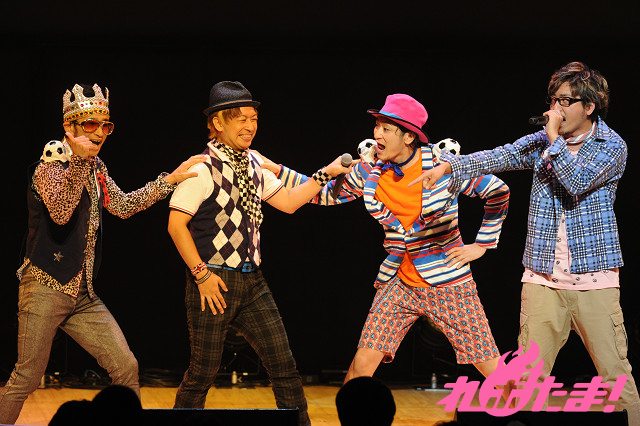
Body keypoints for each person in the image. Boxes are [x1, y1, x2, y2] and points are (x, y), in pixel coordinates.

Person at [409, 61, 640, 423]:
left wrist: (552, 140)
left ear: (589, 106)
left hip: (594, 279)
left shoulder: (611, 146)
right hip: (541, 278)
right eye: (554, 100)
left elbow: (576, 182)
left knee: (615, 375)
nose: (555, 108)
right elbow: (500, 155)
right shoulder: (544, 142)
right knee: (528, 379)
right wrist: (450, 167)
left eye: (565, 101)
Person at [264, 93, 511, 397]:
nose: (377, 134)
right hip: (398, 282)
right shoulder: (370, 170)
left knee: (493, 369)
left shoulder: (442, 167)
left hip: (448, 281)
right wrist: (277, 171)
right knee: (361, 365)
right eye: (377, 126)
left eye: (386, 128)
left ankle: (523, 415)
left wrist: (482, 244)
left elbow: (498, 191)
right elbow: (321, 194)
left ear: (409, 137)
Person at [0, 83, 206, 425]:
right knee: (28, 378)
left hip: (83, 296)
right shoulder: (51, 163)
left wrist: (169, 180)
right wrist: (80, 162)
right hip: (45, 287)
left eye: (104, 126)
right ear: (69, 127)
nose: (98, 133)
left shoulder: (95, 166)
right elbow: (61, 212)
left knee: (126, 366)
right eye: (90, 124)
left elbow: (121, 206)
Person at [167, 81, 354, 426]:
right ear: (218, 123)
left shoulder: (254, 162)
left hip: (253, 282)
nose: (250, 126)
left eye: (253, 119)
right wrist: (202, 275)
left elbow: (289, 202)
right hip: (213, 280)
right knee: (203, 372)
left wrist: (326, 173)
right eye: (241, 119)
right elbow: (176, 225)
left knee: (284, 366)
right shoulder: (201, 167)